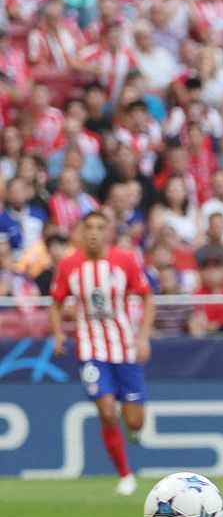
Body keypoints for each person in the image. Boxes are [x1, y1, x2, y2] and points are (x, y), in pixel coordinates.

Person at [48, 211, 156, 496]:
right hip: (90, 349)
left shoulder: (125, 260)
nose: (94, 233)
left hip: (124, 348)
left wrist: (143, 336)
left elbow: (147, 297)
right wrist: (58, 333)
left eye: (99, 228)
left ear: (108, 231)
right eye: (89, 228)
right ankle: (125, 475)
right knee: (107, 412)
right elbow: (56, 302)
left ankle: (131, 427)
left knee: (135, 421)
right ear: (82, 233)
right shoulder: (70, 265)